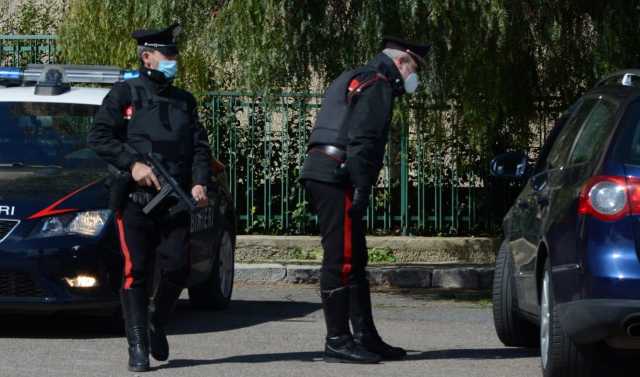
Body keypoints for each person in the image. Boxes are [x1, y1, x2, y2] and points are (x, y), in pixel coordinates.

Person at [87, 23, 211, 372]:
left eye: (174, 54)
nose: (173, 60)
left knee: (178, 268)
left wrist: (200, 182)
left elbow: (200, 148)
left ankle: (157, 320)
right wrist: (133, 165)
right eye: (167, 54)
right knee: (136, 272)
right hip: (136, 200)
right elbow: (98, 137)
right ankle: (138, 345)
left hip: (176, 201)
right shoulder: (125, 95)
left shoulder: (184, 101)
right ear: (147, 57)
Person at [300, 37, 430, 364]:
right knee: (341, 258)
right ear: (402, 62)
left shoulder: (355, 75)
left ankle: (364, 335)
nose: (414, 78)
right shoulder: (378, 84)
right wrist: (362, 185)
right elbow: (364, 140)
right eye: (415, 68)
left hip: (324, 169)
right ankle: (338, 340)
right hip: (338, 175)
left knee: (355, 257)